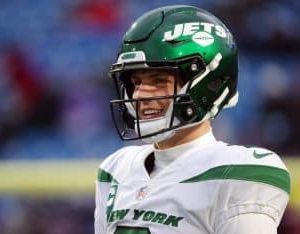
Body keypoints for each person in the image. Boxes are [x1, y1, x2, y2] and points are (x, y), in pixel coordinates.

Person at [94, 5, 290, 234]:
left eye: (158, 81)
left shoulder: (236, 173)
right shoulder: (115, 170)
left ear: (208, 84)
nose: (139, 95)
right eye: (136, 82)